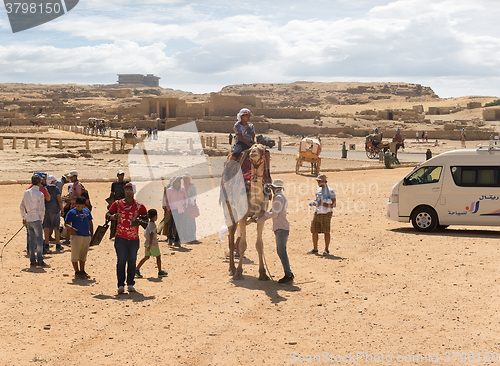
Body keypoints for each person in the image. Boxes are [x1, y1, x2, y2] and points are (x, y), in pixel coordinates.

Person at [106, 182, 147, 294]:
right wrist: (113, 216)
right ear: (124, 191)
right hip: (120, 238)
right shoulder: (118, 204)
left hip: (134, 239)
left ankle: (130, 283)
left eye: (131, 189)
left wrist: (139, 221)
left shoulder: (140, 206)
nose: (129, 191)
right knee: (121, 261)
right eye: (127, 189)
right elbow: (108, 214)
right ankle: (120, 285)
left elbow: (146, 219)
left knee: (132, 262)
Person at [257, 179, 293, 284]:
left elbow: (273, 215)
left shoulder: (278, 198)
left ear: (275, 188)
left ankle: (289, 275)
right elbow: (272, 213)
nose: (271, 189)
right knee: (281, 251)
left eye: (272, 187)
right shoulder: (279, 197)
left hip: (281, 229)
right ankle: (288, 274)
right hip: (282, 228)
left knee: (282, 252)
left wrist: (263, 212)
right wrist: (258, 220)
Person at [20, 175, 50, 267]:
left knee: (31, 240)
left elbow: (21, 206)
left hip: (29, 218)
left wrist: (25, 217)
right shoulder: (40, 194)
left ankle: (32, 260)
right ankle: (40, 260)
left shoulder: (26, 192)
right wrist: (41, 219)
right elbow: (42, 209)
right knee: (39, 241)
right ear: (39, 182)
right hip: (37, 218)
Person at [64, 196, 94, 279]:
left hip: (86, 236)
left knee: (83, 255)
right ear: (75, 205)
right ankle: (77, 272)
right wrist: (70, 228)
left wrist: (92, 234)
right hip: (76, 236)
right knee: (75, 255)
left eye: (81, 207)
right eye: (78, 206)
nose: (80, 208)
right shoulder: (71, 212)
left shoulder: (87, 211)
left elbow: (90, 222)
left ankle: (82, 271)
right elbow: (66, 223)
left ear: (84, 205)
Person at [135, 209, 168, 278]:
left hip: (147, 242)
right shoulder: (153, 225)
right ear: (155, 216)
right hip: (152, 244)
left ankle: (136, 269)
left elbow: (148, 233)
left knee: (146, 257)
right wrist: (150, 244)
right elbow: (151, 234)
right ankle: (160, 272)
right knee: (158, 257)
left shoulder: (149, 224)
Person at [308, 174, 336, 256]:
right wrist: (314, 203)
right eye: (317, 181)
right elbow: (318, 201)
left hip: (326, 213)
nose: (318, 182)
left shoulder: (330, 191)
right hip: (318, 212)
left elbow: (334, 204)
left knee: (326, 231)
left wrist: (323, 204)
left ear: (324, 181)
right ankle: (315, 249)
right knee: (314, 230)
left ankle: (326, 249)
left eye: (319, 181)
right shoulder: (318, 191)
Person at [43, 175, 65, 251]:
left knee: (46, 227)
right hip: (55, 210)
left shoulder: (45, 189)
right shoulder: (56, 189)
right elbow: (59, 200)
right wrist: (62, 210)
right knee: (56, 227)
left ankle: (46, 244)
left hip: (46, 210)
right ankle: (58, 244)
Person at [107, 170, 129, 239]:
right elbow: (112, 193)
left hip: (124, 203)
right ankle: (114, 234)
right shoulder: (114, 184)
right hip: (116, 203)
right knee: (114, 218)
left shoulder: (126, 183)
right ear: (117, 175)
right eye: (120, 175)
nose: (121, 176)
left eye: (122, 175)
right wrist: (110, 203)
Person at [166, 176, 187, 247]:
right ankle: (170, 238)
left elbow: (185, 198)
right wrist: (169, 209)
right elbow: (167, 200)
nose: (179, 182)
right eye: (178, 181)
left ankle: (177, 240)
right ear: (174, 182)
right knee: (172, 224)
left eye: (180, 181)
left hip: (181, 209)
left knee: (179, 225)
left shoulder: (182, 189)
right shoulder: (169, 190)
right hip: (173, 209)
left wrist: (185, 204)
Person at [183, 173, 199, 243]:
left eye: (186, 178)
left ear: (189, 179)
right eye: (184, 178)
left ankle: (192, 237)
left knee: (191, 222)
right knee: (185, 221)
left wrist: (189, 200)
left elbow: (195, 195)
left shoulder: (192, 186)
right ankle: (186, 236)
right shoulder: (183, 187)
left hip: (191, 206)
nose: (185, 180)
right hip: (184, 207)